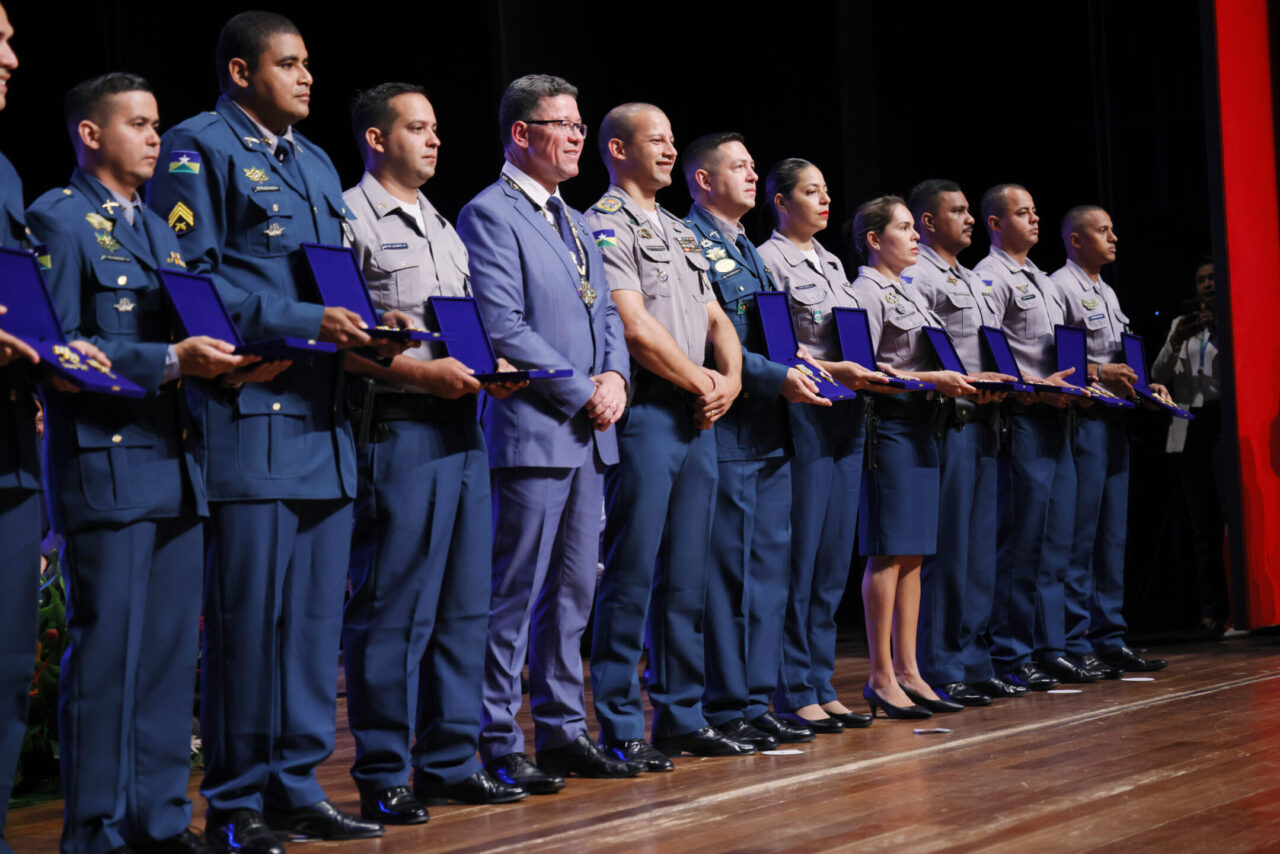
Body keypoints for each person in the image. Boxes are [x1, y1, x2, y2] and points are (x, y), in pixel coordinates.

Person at [147, 11, 398, 850]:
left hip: (323, 423)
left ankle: (297, 786)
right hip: (250, 415)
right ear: (240, 73)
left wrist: (369, 320)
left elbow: (330, 279)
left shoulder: (318, 161)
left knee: (311, 627)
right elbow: (188, 279)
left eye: (308, 64)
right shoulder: (196, 147)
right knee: (249, 623)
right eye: (288, 64)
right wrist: (301, 317)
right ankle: (238, 799)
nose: (306, 77)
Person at [28, 71, 268, 854]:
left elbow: (192, 328)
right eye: (137, 123)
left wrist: (233, 362)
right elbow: (57, 352)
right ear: (90, 134)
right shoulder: (59, 221)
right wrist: (170, 359)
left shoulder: (160, 230)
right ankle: (95, 832)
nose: (155, 137)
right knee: (108, 663)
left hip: (176, 462)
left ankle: (160, 824)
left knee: (168, 660)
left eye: (159, 123)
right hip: (110, 465)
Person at [339, 83, 528, 824]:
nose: (435, 139)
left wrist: (491, 369)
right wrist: (424, 371)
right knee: (393, 609)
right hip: (399, 425)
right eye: (418, 127)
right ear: (377, 139)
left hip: (462, 425)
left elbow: (465, 328)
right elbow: (345, 345)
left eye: (437, 127)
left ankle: (449, 759)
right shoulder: (349, 216)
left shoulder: (444, 227)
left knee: (462, 606)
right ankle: (383, 769)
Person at [457, 73, 635, 791]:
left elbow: (610, 318)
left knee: (573, 597)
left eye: (579, 125)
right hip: (533, 429)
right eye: (561, 124)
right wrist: (580, 388)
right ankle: (498, 737)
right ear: (522, 134)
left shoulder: (578, 217)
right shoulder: (489, 213)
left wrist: (617, 378)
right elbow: (502, 325)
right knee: (514, 594)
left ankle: (562, 730)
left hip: (589, 432)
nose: (575, 137)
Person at [586, 103, 747, 768]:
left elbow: (717, 317)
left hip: (697, 414)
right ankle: (620, 721)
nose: (668, 150)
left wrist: (730, 378)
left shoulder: (681, 230)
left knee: (687, 577)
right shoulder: (602, 221)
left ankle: (681, 714)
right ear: (617, 148)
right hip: (650, 412)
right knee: (631, 573)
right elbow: (631, 325)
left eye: (672, 141)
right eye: (655, 140)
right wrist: (700, 382)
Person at [684, 133, 828, 750]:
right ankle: (723, 702)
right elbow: (709, 339)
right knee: (729, 577)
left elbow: (774, 334)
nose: (749, 174)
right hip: (730, 428)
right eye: (737, 166)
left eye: (750, 165)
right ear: (703, 180)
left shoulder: (749, 249)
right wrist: (777, 377)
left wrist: (817, 369)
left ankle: (755, 697)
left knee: (771, 575)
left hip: (770, 431)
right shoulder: (690, 240)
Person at [756, 159, 882, 731]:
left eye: (827, 190)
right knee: (801, 555)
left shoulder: (832, 261)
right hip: (806, 411)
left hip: (847, 412)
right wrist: (839, 369)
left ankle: (820, 680)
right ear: (781, 202)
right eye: (811, 192)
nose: (824, 200)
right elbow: (782, 347)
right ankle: (791, 687)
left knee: (833, 559)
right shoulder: (767, 260)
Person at [847, 195, 975, 719]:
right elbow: (866, 371)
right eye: (904, 227)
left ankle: (910, 669)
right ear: (875, 240)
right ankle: (880, 674)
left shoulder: (909, 290)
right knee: (888, 551)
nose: (916, 235)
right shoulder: (866, 292)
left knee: (915, 556)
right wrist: (932, 380)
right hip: (890, 428)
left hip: (922, 426)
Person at [902, 179, 1019, 706]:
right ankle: (942, 663)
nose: (970, 218)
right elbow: (912, 350)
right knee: (948, 548)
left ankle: (973, 659)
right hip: (945, 421)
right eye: (958, 211)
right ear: (928, 222)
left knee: (978, 549)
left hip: (983, 418)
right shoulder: (915, 274)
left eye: (971, 210)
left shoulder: (970, 279)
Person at [975, 184, 1088, 692]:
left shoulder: (1040, 277)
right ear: (996, 224)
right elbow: (991, 352)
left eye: (1036, 211)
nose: (1035, 219)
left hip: (1056, 414)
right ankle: (1010, 652)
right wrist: (1033, 390)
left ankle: (1049, 646)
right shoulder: (990, 277)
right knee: (1020, 541)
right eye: (1023, 212)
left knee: (1054, 539)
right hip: (1022, 416)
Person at [1051, 205, 1167, 673]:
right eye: (1102, 231)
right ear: (1076, 240)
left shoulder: (1107, 291)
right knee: (1081, 534)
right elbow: (1055, 356)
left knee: (1111, 535)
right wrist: (1101, 372)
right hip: (1084, 419)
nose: (1113, 237)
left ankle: (1109, 634)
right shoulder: (1061, 287)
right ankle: (1076, 640)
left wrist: (1145, 384)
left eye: (1112, 230)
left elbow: (1119, 354)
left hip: (1116, 419)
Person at [0, 10, 48, 852]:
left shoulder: (3, 172)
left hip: (7, 452)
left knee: (7, 669)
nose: (11, 55)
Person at [1152, 258, 1227, 636]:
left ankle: (1244, 609)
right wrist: (1177, 338)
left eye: (1213, 278)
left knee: (1233, 516)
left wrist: (1219, 330)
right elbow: (1157, 375)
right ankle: (1212, 611)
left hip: (1223, 420)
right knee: (1202, 524)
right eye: (1201, 280)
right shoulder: (1179, 326)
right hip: (1187, 422)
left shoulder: (1228, 319)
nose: (1207, 285)